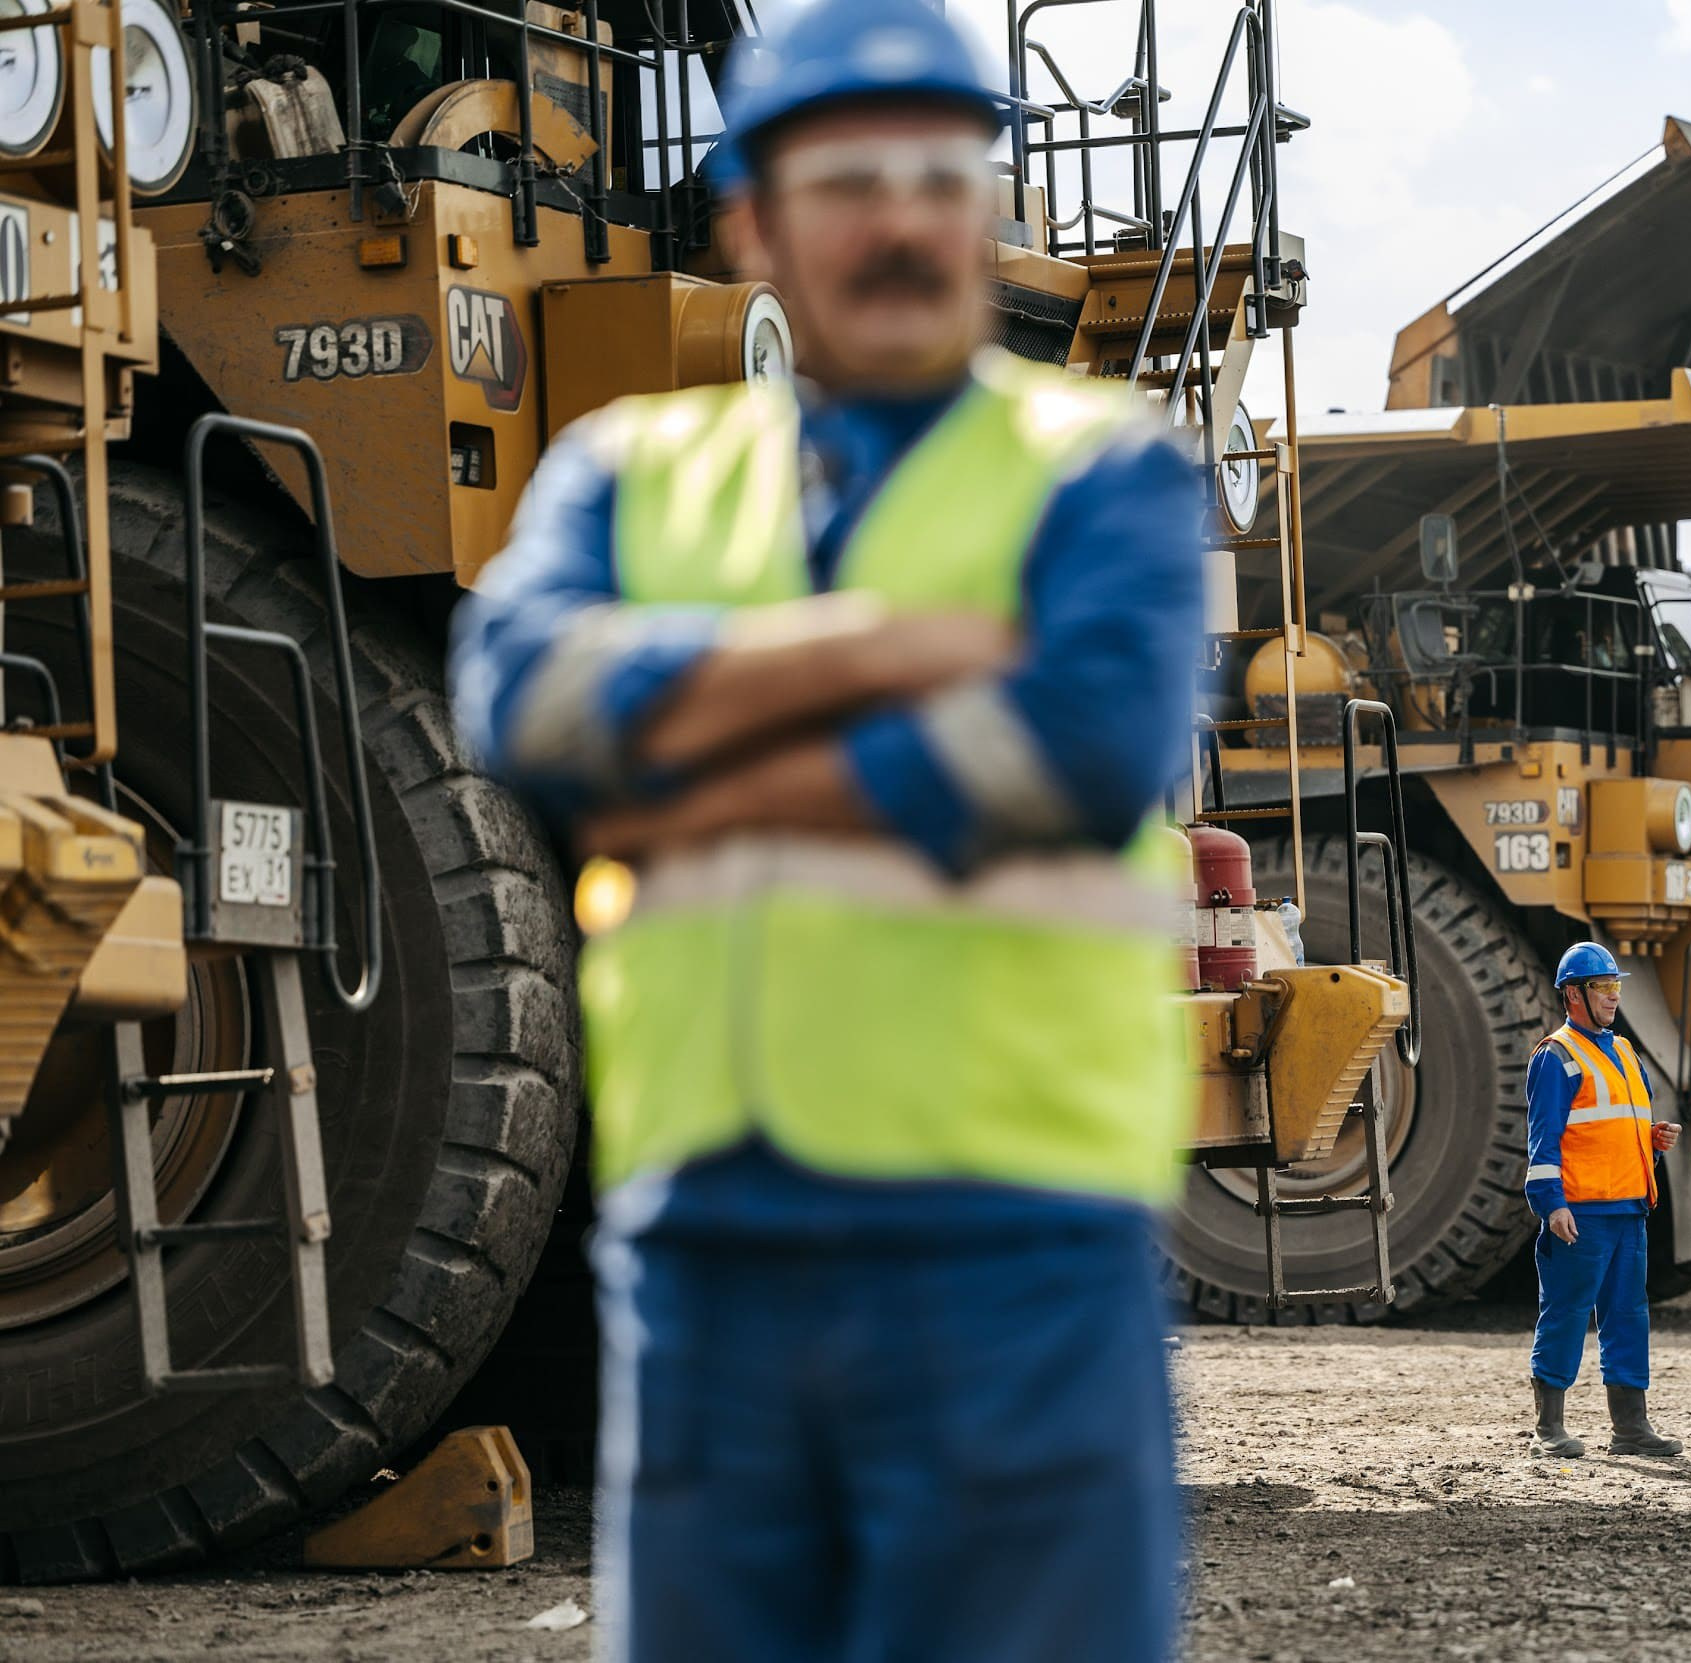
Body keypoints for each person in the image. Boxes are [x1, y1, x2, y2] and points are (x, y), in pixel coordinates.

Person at [447, 0, 1208, 1656]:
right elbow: (521, 699)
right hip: (710, 1249)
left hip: (1012, 1237)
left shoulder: (1106, 473)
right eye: (851, 176)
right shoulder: (623, 471)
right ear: (753, 222)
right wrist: (884, 650)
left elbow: (1077, 744)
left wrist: (692, 773)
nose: (905, 218)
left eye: (946, 173)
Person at [1524, 941, 1684, 1459]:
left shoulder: (1623, 1051)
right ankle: (1549, 1428)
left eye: (1616, 986)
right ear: (1573, 994)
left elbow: (1611, 1124)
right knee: (1567, 1312)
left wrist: (1651, 1137)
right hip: (1581, 1212)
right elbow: (1543, 1142)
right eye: (1603, 987)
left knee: (1628, 1316)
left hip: (1627, 1209)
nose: (1614, 997)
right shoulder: (1556, 1056)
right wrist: (1552, 1204)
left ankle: (1630, 1429)